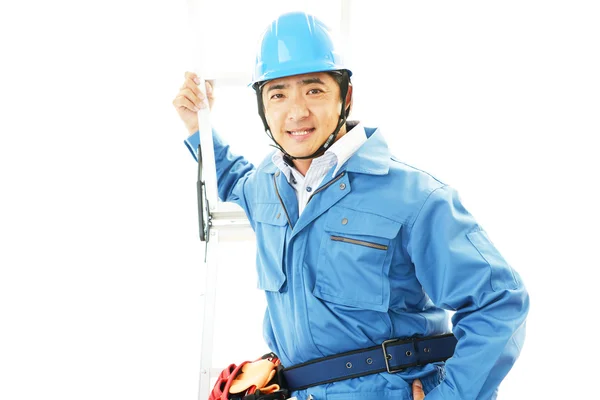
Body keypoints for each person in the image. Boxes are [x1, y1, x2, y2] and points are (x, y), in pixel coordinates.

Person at [172, 11, 529, 400]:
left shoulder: (415, 197)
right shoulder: (266, 187)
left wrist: (450, 397)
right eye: (278, 94)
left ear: (347, 96)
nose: (296, 112)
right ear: (262, 106)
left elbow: (499, 302)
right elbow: (232, 179)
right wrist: (197, 125)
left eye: (314, 90)